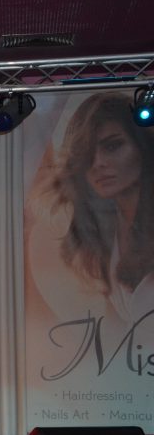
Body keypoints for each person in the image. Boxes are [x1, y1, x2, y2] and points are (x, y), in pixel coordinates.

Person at [49, 91, 154, 322]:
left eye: (112, 146)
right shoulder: (104, 235)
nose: (98, 163)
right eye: (87, 153)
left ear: (143, 146)